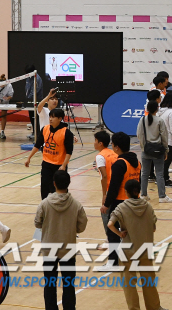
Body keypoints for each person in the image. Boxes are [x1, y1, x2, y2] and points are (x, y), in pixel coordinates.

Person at [34, 170, 87, 310]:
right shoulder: (76, 205)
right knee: (69, 283)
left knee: (50, 284)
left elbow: (37, 223)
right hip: (68, 249)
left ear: (54, 183)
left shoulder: (44, 203)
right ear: (68, 183)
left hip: (49, 250)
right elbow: (82, 226)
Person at [107, 180, 164, 310]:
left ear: (126, 192)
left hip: (128, 252)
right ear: (139, 191)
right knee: (149, 282)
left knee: (129, 284)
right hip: (145, 249)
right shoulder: (148, 206)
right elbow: (153, 228)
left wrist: (120, 233)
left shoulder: (121, 207)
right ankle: (154, 307)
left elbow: (110, 224)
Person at [99, 131, 141, 271]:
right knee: (132, 231)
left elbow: (114, 187)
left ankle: (113, 261)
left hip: (120, 203)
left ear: (116, 147)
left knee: (113, 232)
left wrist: (106, 204)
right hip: (135, 201)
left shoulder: (120, 164)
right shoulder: (137, 162)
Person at [25, 108, 74, 199]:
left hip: (59, 166)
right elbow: (37, 145)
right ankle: (45, 206)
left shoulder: (66, 133)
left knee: (58, 189)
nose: (50, 119)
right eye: (50, 117)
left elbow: (69, 151)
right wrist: (29, 157)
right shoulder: (45, 129)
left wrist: (63, 165)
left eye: (53, 117)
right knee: (45, 187)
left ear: (60, 119)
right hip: (46, 163)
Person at [137, 101, 171, 202]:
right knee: (159, 173)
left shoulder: (142, 119)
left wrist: (143, 147)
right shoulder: (160, 120)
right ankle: (162, 196)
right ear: (157, 108)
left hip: (146, 150)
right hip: (158, 150)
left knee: (144, 173)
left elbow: (139, 134)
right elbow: (164, 137)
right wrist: (166, 150)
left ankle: (143, 195)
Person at [93, 130, 117, 250]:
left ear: (100, 143)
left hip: (110, 190)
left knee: (105, 213)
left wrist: (104, 194)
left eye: (95, 141)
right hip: (119, 188)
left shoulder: (100, 156)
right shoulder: (113, 153)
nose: (94, 143)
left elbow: (104, 176)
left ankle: (110, 239)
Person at [25, 65, 43, 140]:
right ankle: (34, 132)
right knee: (31, 117)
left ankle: (38, 133)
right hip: (30, 101)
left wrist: (29, 98)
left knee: (36, 117)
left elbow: (35, 91)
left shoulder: (37, 79)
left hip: (37, 100)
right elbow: (27, 88)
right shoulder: (28, 77)